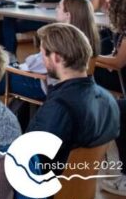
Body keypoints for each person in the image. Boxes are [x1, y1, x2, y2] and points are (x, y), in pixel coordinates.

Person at [29, 23, 118, 175]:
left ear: (56, 57)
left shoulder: (59, 107)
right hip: (81, 185)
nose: (42, 60)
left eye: (42, 54)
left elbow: (33, 161)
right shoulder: (108, 100)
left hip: (47, 186)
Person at [5, 0, 100, 103]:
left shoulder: (61, 40)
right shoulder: (90, 36)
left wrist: (16, 65)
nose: (56, 9)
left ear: (68, 15)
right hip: (74, 90)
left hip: (47, 88)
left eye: (59, 7)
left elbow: (34, 65)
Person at [95, 0, 126, 93]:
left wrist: (92, 57)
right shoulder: (122, 27)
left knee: (85, 74)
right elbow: (115, 55)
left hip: (122, 79)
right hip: (119, 73)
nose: (107, 0)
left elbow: (118, 62)